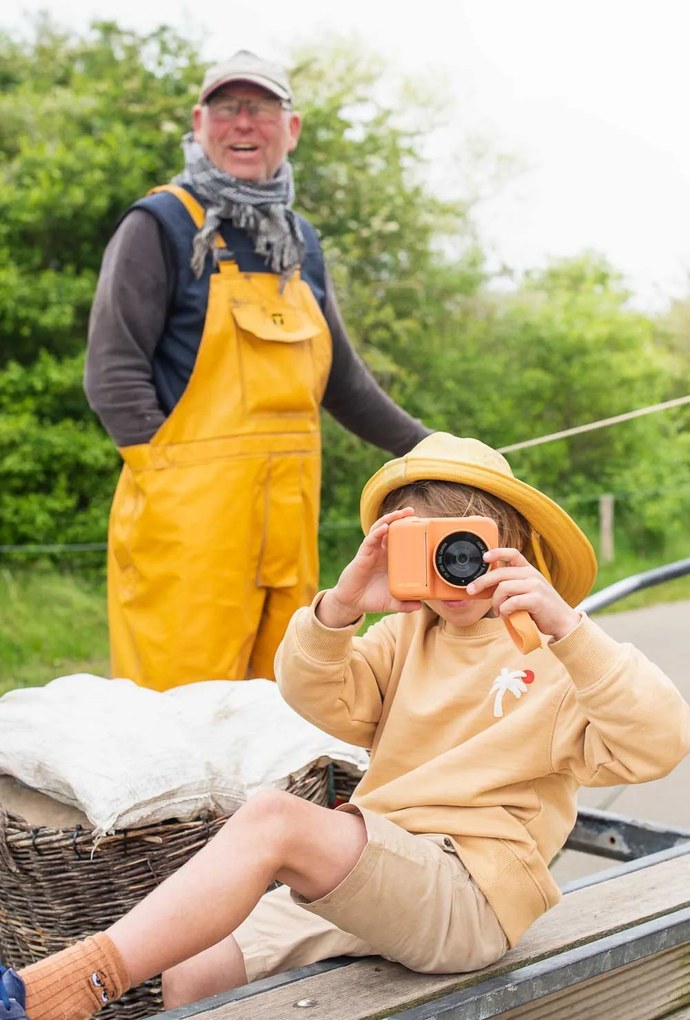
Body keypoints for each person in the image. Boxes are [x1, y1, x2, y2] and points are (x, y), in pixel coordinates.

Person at [3, 431, 690, 1020]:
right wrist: (342, 605)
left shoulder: (555, 654)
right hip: (382, 869)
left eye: (463, 546)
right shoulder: (403, 637)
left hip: (470, 893)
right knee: (195, 973)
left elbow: (660, 742)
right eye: (422, 549)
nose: (450, 569)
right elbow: (317, 696)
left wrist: (567, 625)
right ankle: (79, 983)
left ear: (507, 542)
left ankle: (65, 986)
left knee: (275, 819)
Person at [84, 49, 430, 691]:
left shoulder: (300, 242)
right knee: (180, 709)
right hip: (186, 530)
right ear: (199, 122)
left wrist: (432, 448)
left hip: (287, 527)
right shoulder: (158, 225)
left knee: (280, 705)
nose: (244, 123)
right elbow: (111, 373)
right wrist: (171, 482)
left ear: (290, 128)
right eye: (227, 107)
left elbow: (343, 382)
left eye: (262, 108)